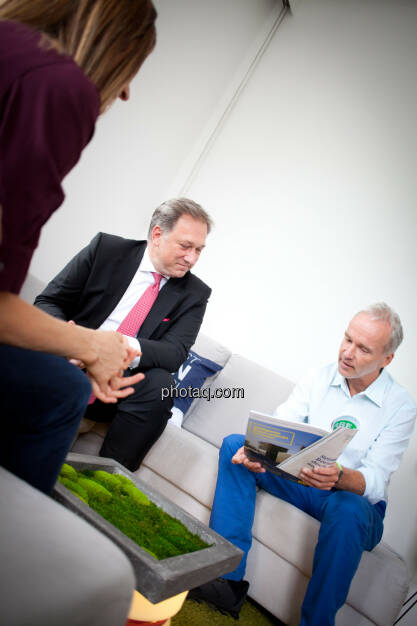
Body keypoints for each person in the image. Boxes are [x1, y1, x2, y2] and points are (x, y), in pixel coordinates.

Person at [0, 0, 157, 493]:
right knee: (61, 391)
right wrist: (86, 345)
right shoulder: (59, 85)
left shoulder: (10, 46)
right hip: (83, 351)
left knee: (150, 391)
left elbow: (171, 351)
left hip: (121, 371)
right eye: (134, 65)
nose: (128, 90)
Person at [189, 303, 416, 625]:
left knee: (349, 509)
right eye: (347, 339)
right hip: (300, 480)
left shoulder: (400, 406)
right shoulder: (319, 376)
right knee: (234, 446)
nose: (347, 353)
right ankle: (225, 581)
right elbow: (283, 425)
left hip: (350, 502)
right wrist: (259, 454)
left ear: (387, 359)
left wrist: (339, 476)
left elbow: (377, 479)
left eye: (363, 349)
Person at [35, 198, 212, 471]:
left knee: (160, 385)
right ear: (157, 234)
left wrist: (111, 346)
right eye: (185, 246)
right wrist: (73, 341)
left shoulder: (195, 293)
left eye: (199, 249)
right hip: (68, 363)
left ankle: (107, 477)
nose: (192, 258)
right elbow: (49, 302)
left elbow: (174, 353)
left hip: (118, 386)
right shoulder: (107, 249)